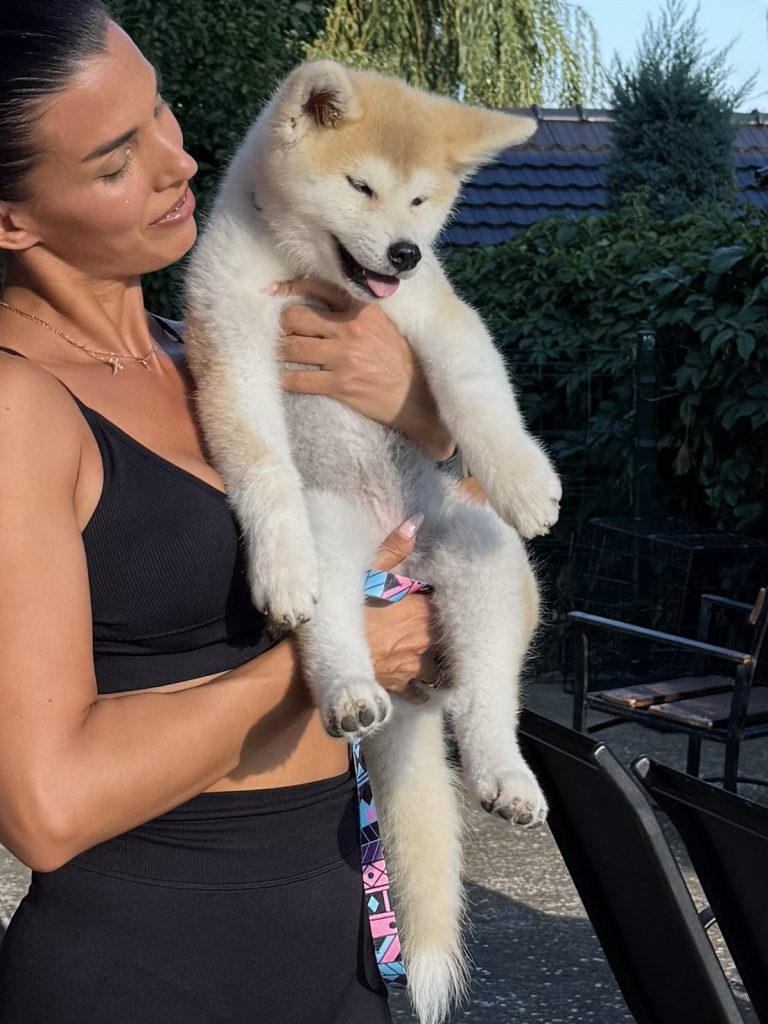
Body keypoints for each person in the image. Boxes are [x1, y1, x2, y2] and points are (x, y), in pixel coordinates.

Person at [0, 3, 458, 1021]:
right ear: (12, 220)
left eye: (159, 112)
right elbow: (46, 805)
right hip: (145, 966)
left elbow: (429, 528)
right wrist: (336, 656)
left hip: (335, 943)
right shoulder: (18, 407)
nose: (181, 162)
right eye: (117, 161)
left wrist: (422, 418)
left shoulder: (207, 345)